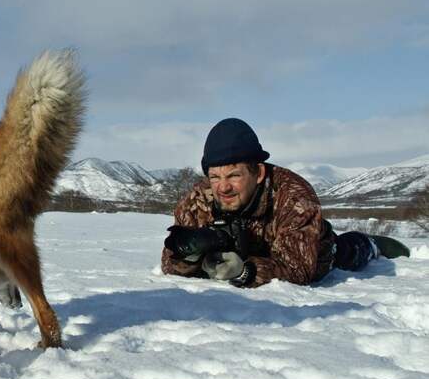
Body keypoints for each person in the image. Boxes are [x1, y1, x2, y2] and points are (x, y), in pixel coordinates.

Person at [161, 118, 410, 287]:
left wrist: (244, 272)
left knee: (343, 252)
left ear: (257, 173)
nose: (222, 187)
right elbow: (169, 260)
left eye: (234, 175)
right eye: (214, 177)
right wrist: (193, 258)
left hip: (315, 252)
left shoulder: (293, 194)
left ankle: (370, 244)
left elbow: (300, 269)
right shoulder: (199, 198)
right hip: (250, 254)